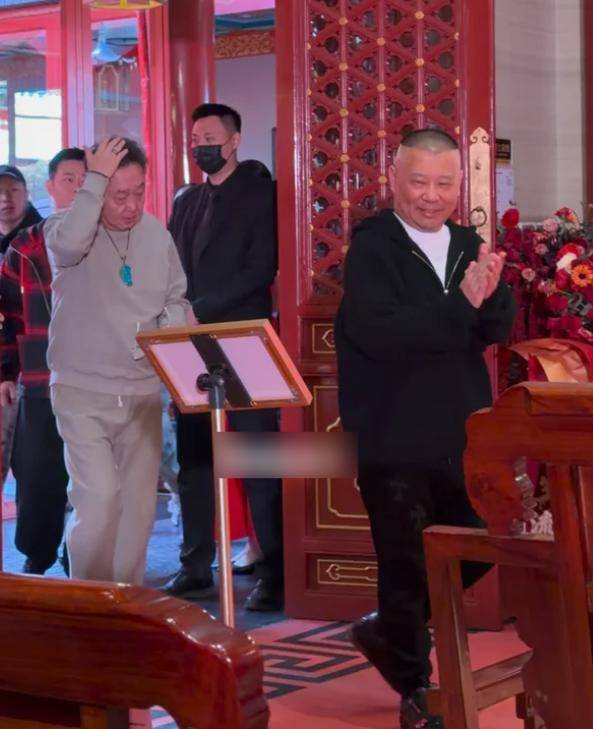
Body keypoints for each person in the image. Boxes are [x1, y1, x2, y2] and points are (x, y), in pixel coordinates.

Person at [334, 128, 516, 729]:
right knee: (407, 563)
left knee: (485, 540)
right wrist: (460, 304)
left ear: (459, 185)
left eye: (443, 183)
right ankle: (416, 687)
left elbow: (492, 330)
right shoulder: (373, 248)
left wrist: (492, 294)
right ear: (394, 180)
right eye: (418, 182)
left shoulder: (467, 242)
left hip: (463, 433)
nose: (431, 196)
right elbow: (384, 336)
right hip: (393, 437)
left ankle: (391, 630)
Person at [46, 137, 190, 584]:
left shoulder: (156, 235)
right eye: (118, 195)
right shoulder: (66, 227)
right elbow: (67, 247)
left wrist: (165, 327)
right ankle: (89, 604)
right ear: (95, 188)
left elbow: (178, 298)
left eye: (139, 192)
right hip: (82, 390)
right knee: (99, 500)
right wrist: (94, 181)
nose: (131, 206)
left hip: (143, 391)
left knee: (138, 509)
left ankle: (126, 604)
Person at [166, 103, 283, 611]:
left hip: (243, 334)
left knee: (258, 457)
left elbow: (262, 267)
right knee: (194, 458)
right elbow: (170, 264)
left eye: (210, 138)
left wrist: (203, 308)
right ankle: (195, 565)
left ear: (234, 141)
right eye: (195, 139)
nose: (202, 147)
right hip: (188, 339)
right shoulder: (187, 201)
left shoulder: (261, 194)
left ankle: (275, 571)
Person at [0, 148, 86, 575]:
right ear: (50, 187)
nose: (77, 188)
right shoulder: (24, 247)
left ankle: (81, 553)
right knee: (37, 473)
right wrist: (6, 372)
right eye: (68, 180)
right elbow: (7, 317)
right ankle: (37, 555)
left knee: (90, 475)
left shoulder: (107, 241)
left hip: (94, 378)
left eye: (85, 181)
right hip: (39, 377)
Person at [0, 165, 42, 484]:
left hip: (32, 370)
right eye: (0, 192)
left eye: (13, 190)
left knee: (35, 467)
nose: (6, 199)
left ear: (27, 194)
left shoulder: (41, 241)